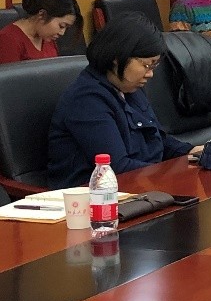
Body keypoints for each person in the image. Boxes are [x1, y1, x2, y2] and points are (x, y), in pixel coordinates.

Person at [47, 13, 201, 187]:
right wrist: (172, 172)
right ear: (117, 58)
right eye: (146, 65)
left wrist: (192, 152)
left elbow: (157, 139)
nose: (150, 74)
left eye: (154, 66)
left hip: (144, 185)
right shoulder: (86, 100)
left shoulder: (129, 87)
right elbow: (117, 168)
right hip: (96, 196)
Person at [0, 0, 79, 63]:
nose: (62, 32)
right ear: (42, 14)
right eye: (61, 26)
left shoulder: (47, 37)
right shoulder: (8, 39)